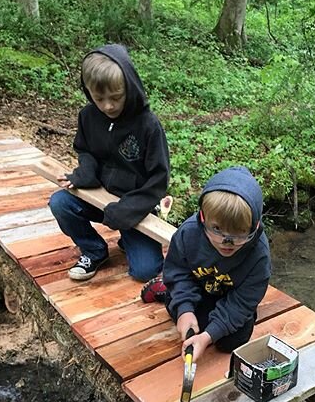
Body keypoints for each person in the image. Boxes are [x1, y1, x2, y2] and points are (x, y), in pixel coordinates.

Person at [49, 44, 169, 281]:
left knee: (145, 272)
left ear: (129, 87)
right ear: (88, 91)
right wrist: (85, 174)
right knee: (60, 203)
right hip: (100, 197)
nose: (108, 106)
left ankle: (129, 238)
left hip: (136, 206)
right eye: (99, 98)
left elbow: (158, 180)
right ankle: (94, 250)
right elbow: (85, 150)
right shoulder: (88, 116)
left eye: (116, 97)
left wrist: (127, 211)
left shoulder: (148, 126)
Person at [143, 166, 271, 363]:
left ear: (253, 227)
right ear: (203, 218)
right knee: (180, 312)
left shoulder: (259, 254)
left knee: (233, 341)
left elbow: (244, 301)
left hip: (228, 296)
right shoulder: (188, 234)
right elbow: (178, 271)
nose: (225, 242)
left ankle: (181, 303)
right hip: (197, 288)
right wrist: (185, 310)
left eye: (238, 233)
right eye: (217, 229)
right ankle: (164, 287)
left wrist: (207, 336)